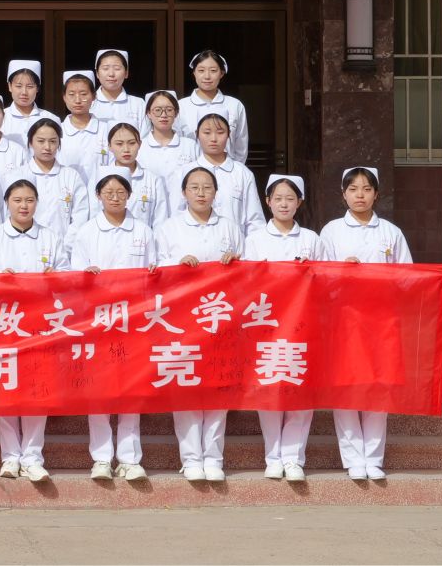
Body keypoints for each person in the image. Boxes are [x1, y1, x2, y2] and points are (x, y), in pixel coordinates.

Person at [319, 166, 413, 481]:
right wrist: (340, 270)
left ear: (376, 194)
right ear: (343, 194)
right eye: (353, 189)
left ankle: (373, 458)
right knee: (346, 387)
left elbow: (406, 276)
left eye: (366, 189)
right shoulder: (332, 231)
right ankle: (352, 458)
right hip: (345, 320)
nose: (360, 195)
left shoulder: (391, 232)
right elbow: (319, 276)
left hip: (381, 321)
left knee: (378, 387)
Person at [0, 177, 69, 483]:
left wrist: (54, 276)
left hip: (40, 324)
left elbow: (66, 274)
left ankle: (33, 456)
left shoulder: (49, 237)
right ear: (7, 204)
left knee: (37, 388)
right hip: (4, 322)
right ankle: (10, 456)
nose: (23, 206)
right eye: (17, 200)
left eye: (29, 200)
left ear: (37, 204)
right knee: (5, 388)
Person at [68, 171, 158, 481]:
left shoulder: (143, 231)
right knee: (99, 391)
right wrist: (87, 276)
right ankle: (102, 458)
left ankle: (130, 459)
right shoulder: (86, 233)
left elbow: (154, 274)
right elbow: (75, 276)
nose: (115, 197)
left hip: (134, 321)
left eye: (121, 192)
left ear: (129, 196)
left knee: (131, 390)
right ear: (98, 196)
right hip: (98, 322)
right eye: (109, 192)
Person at [156, 165, 241, 482]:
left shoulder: (229, 226)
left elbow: (246, 270)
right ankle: (191, 457)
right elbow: (156, 269)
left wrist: (234, 262)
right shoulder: (170, 228)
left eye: (207, 187)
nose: (201, 193)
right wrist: (177, 265)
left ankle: (214, 457)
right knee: (187, 384)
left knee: (218, 386)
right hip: (183, 318)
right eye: (194, 187)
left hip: (220, 316)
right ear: (183, 193)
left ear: (216, 192)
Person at [244, 174, 318, 482]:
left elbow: (326, 280)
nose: (284, 204)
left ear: (300, 202)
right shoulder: (254, 240)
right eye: (278, 198)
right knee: (271, 390)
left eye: (290, 198)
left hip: (302, 326)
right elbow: (246, 282)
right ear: (267, 202)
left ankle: (294, 458)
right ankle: (273, 457)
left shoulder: (312, 239)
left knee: (300, 390)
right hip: (268, 326)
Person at [173, 114, 265, 235]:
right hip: (193, 241)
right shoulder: (184, 172)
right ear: (197, 134)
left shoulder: (242, 173)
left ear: (229, 135)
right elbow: (177, 214)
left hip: (233, 243)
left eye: (220, 132)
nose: (213, 139)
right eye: (207, 132)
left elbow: (255, 220)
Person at [7, 118, 91, 237]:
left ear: (59, 143)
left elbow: (80, 215)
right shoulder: (17, 175)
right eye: (41, 141)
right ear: (30, 143)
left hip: (63, 245)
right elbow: (9, 214)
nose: (47, 147)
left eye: (53, 141)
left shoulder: (71, 176)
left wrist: (67, 244)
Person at [178, 50, 249, 165]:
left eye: (213, 71)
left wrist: (234, 170)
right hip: (192, 171)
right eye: (201, 70)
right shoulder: (181, 106)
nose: (207, 76)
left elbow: (241, 146)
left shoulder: (235, 105)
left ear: (221, 73)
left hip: (227, 170)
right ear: (194, 73)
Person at [102, 122, 168, 228]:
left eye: (132, 143)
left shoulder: (153, 180)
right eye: (119, 144)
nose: (126, 149)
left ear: (140, 144)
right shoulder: (101, 178)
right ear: (109, 146)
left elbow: (160, 221)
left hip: (143, 238)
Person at [58, 70, 108, 180]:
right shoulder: (57, 131)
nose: (78, 100)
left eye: (83, 94)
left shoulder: (106, 130)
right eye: (71, 94)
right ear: (64, 97)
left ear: (94, 96)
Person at [138, 90, 196, 183]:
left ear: (176, 113)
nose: (163, 115)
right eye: (157, 110)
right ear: (149, 113)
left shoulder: (191, 146)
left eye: (169, 110)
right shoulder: (139, 147)